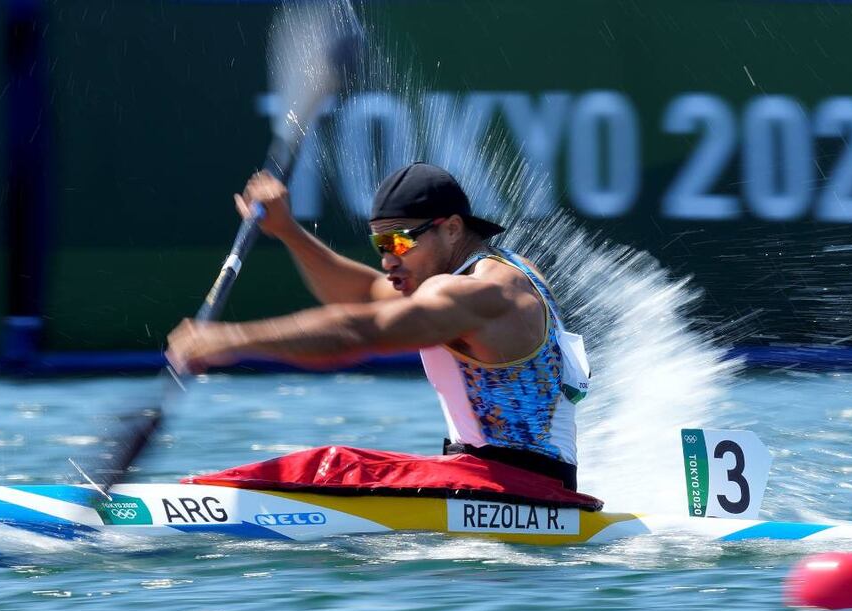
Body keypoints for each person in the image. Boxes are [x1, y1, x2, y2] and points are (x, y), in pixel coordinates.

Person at [166, 162, 590, 489]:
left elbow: (361, 331)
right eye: (379, 243)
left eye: (399, 240)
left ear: (452, 228)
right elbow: (367, 293)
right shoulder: (494, 272)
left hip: (518, 490)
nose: (388, 258)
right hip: (502, 481)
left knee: (331, 467)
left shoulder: (478, 293)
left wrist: (234, 338)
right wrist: (289, 232)